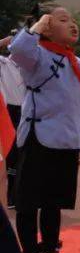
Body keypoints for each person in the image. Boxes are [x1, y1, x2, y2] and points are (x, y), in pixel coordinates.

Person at [9, 7, 80, 253]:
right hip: (39, 136)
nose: (73, 24)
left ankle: (51, 250)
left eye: (73, 18)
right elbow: (18, 49)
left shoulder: (78, 63)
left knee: (54, 202)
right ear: (46, 26)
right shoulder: (36, 55)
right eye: (63, 19)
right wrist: (37, 25)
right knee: (29, 201)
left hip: (67, 139)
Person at [0, 32, 26, 206]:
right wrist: (5, 41)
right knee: (6, 154)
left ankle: (14, 195)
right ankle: (7, 195)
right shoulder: (3, 62)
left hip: (24, 112)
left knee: (19, 156)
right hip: (6, 110)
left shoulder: (29, 65)